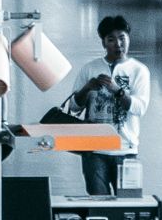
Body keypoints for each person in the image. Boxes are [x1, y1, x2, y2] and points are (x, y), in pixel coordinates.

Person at [65, 16, 150, 196]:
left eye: (122, 38)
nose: (118, 44)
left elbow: (139, 108)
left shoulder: (139, 71)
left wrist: (117, 91)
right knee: (98, 204)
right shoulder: (89, 69)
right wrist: (87, 88)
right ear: (104, 43)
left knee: (128, 205)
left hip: (126, 149)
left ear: (129, 38)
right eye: (111, 39)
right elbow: (73, 107)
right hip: (94, 150)